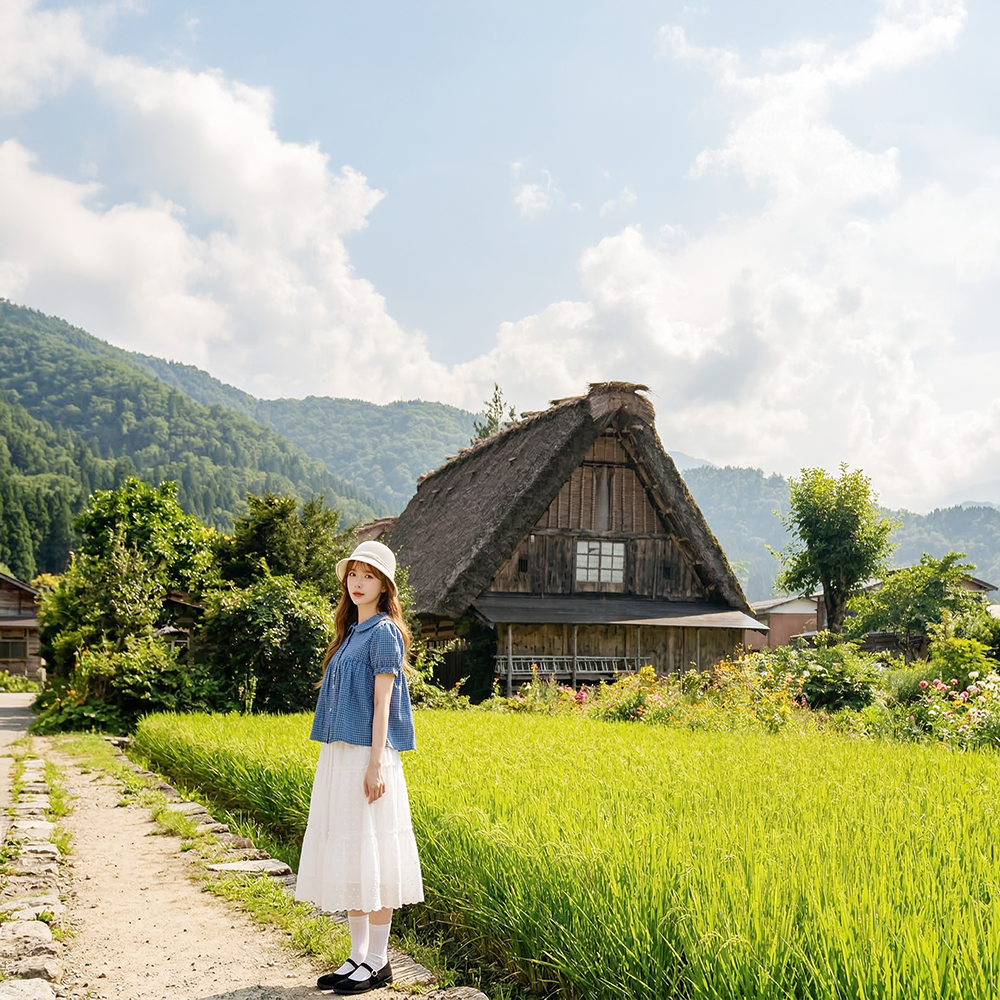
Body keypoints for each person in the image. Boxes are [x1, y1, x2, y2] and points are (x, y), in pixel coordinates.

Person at [295, 540, 424, 995]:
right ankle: (357, 956)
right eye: (353, 574)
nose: (357, 583)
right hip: (340, 752)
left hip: (368, 755)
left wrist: (375, 765)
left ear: (383, 584)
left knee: (375, 853)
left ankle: (379, 960)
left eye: (367, 576)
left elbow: (382, 704)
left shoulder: (385, 632)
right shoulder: (350, 634)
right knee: (353, 852)